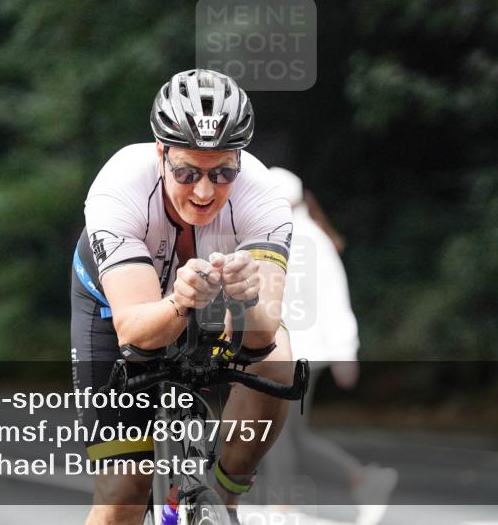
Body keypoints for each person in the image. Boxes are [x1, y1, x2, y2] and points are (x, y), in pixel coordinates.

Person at [70, 69, 296, 525]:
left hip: (215, 301)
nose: (205, 191)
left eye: (223, 172)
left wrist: (249, 301)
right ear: (161, 153)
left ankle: (224, 498)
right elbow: (135, 332)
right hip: (118, 306)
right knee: (122, 495)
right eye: (187, 172)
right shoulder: (119, 187)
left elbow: (261, 339)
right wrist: (178, 303)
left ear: (240, 159)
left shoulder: (264, 197)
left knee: (278, 363)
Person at [263, 167, 397, 525]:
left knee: (277, 431)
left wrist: (345, 351)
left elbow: (335, 297)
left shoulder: (308, 240)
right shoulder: (287, 237)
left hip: (300, 354)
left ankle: (281, 506)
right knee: (289, 433)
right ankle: (362, 479)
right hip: (291, 352)